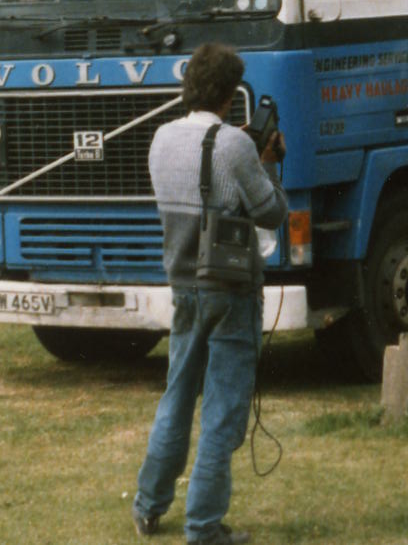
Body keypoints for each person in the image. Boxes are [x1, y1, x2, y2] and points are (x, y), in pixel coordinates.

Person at [133, 43, 285, 545]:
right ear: (229, 94)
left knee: (176, 397)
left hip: (183, 283)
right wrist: (269, 163)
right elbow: (269, 213)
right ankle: (203, 525)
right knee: (222, 410)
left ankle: (149, 505)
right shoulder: (235, 146)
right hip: (230, 287)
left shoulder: (159, 138)